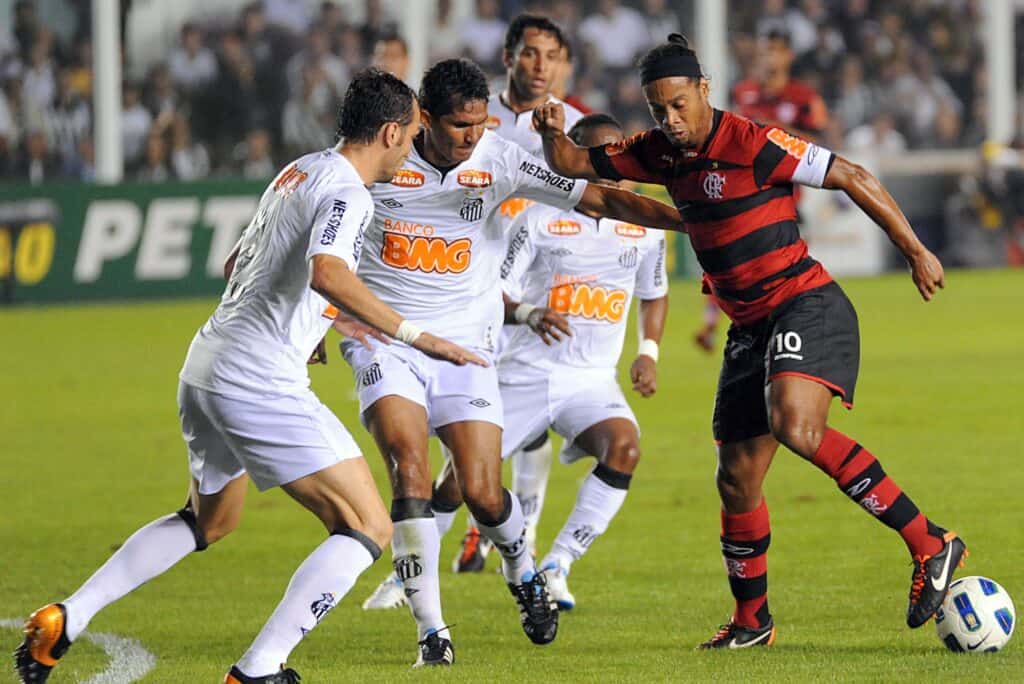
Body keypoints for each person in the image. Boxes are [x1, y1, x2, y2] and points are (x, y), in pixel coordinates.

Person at [13, 69, 484, 684]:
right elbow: (328, 275)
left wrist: (309, 326)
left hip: (207, 364)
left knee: (209, 519)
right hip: (258, 380)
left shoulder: (300, 170)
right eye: (413, 135)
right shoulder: (351, 192)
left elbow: (241, 261)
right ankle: (259, 669)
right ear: (391, 131)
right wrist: (416, 336)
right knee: (366, 525)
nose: (414, 149)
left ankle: (66, 618)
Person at [532, 34, 965, 649]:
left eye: (680, 104)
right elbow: (574, 163)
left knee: (796, 424)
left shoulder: (753, 143)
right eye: (659, 110)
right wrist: (553, 131)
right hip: (748, 329)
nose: (671, 120)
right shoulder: (657, 151)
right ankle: (751, 621)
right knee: (736, 477)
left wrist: (915, 250)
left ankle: (932, 542)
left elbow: (851, 173)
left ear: (703, 89)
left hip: (804, 302)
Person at [339, 58, 682, 666]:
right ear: (421, 116)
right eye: (456, 126)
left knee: (481, 491)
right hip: (388, 341)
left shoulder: (497, 158)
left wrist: (703, 225)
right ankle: (432, 633)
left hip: (468, 347)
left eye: (478, 124)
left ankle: (523, 573)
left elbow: (597, 196)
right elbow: (314, 230)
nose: (470, 137)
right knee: (409, 467)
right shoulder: (376, 162)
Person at [450, 12, 586, 574]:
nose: (541, 66)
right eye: (530, 54)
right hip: (473, 275)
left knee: (530, 413)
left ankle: (507, 533)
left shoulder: (574, 123)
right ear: (508, 57)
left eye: (552, 57)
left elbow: (587, 195)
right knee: (463, 402)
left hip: (539, 279)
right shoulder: (478, 119)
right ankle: (481, 521)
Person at [689, 28, 832, 354]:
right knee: (725, 255)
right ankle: (715, 323)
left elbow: (820, 146)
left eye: (774, 51)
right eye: (763, 51)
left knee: (770, 271)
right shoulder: (744, 92)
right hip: (743, 193)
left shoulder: (804, 97)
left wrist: (772, 129)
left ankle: (783, 331)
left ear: (787, 56)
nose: (768, 58)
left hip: (782, 200)